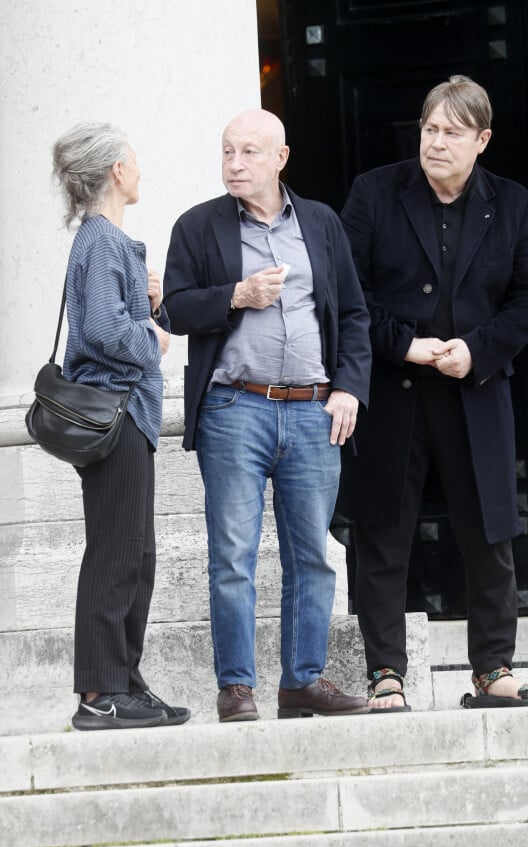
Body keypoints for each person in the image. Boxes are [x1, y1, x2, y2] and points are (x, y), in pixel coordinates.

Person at [337, 76, 528, 711]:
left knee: (489, 531)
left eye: (451, 133)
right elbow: (347, 291)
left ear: (481, 140)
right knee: (383, 531)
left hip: (475, 388)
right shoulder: (375, 193)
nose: (435, 143)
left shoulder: (513, 204)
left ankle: (493, 670)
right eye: (429, 129)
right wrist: (400, 342)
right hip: (393, 387)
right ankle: (386, 673)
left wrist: (478, 350)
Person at [163, 108, 372, 723]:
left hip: (313, 410)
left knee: (311, 552)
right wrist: (237, 295)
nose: (235, 163)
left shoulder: (321, 223)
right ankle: (236, 688)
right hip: (234, 408)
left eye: (249, 152)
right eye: (228, 151)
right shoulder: (197, 227)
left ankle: (303, 681)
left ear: (281, 158)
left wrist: (349, 389)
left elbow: (354, 314)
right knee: (233, 554)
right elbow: (173, 310)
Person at [52, 122, 190, 730]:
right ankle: (99, 694)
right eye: (133, 157)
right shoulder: (102, 240)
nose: (139, 166)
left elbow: (109, 317)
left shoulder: (106, 241)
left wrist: (147, 300)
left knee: (137, 552)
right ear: (114, 171)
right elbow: (106, 333)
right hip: (115, 413)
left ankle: (125, 684)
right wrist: (154, 334)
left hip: (124, 414)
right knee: (116, 553)